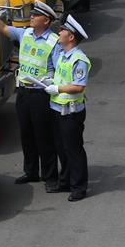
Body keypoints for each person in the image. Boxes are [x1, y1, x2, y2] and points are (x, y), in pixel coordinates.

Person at [0, 0, 60, 187]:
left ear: (46, 20)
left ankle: (50, 177)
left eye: (36, 15)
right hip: (24, 92)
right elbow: (3, 29)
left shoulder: (53, 42)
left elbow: (59, 69)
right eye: (32, 14)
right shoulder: (25, 34)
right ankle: (31, 171)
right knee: (27, 134)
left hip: (42, 94)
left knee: (44, 136)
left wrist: (55, 87)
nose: (31, 17)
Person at [44, 14, 91, 201]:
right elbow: (58, 74)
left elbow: (79, 86)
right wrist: (49, 80)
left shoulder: (79, 59)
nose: (59, 32)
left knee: (74, 149)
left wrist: (57, 88)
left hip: (71, 112)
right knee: (61, 147)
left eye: (63, 30)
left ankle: (79, 187)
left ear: (71, 37)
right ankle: (66, 181)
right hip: (57, 108)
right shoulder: (63, 55)